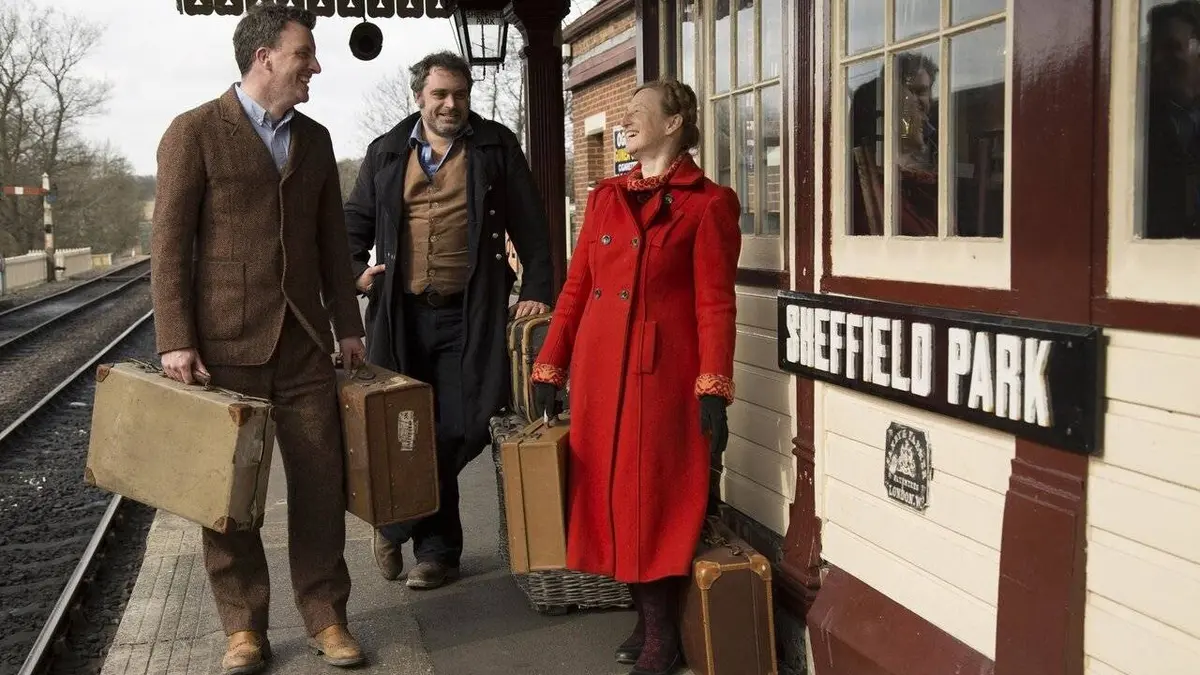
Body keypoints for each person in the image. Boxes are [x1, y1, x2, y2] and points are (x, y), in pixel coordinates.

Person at [150, 5, 366, 673]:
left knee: (321, 484)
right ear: (264, 56)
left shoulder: (316, 140)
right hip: (223, 346)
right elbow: (169, 245)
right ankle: (243, 627)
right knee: (227, 496)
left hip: (304, 343)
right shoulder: (193, 131)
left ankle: (326, 615)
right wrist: (176, 338)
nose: (316, 67)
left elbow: (332, 244)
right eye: (305, 54)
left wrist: (349, 325)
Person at [529, 77, 739, 675]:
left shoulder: (708, 204)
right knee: (607, 496)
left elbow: (716, 305)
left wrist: (713, 385)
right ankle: (647, 620)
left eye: (638, 111)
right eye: (624, 112)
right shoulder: (605, 197)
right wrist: (550, 364)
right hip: (600, 372)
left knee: (651, 500)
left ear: (674, 124)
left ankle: (662, 635)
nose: (625, 120)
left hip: (661, 376)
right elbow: (576, 287)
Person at [343, 50, 554, 590]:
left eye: (460, 94)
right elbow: (355, 222)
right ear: (419, 96)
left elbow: (532, 223)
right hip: (401, 314)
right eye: (439, 94)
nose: (450, 104)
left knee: (468, 422)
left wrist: (536, 289)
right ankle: (437, 555)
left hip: (471, 312)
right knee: (408, 429)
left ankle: (395, 523)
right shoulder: (387, 150)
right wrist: (354, 274)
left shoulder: (496, 146)